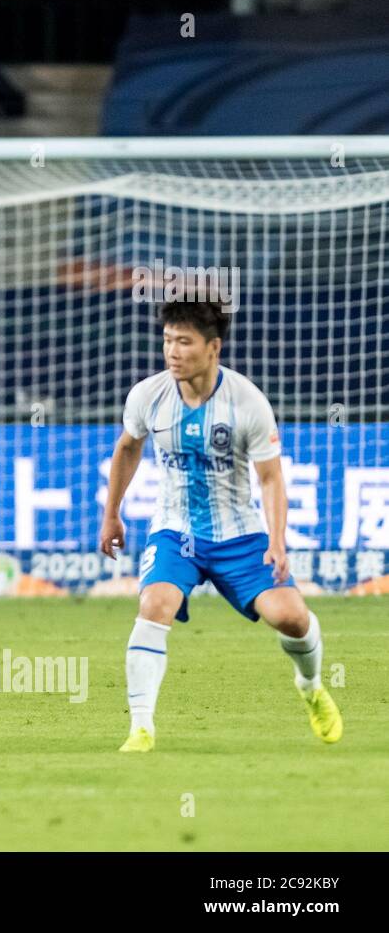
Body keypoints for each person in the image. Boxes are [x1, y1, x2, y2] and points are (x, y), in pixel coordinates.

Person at [100, 299, 342, 753]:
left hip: (240, 535)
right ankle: (141, 727)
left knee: (291, 618)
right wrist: (112, 513)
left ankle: (310, 687)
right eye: (168, 340)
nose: (172, 351)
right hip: (175, 530)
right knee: (154, 604)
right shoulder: (148, 395)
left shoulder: (247, 402)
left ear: (213, 348)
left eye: (184, 342)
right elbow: (128, 448)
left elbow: (271, 479)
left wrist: (276, 540)